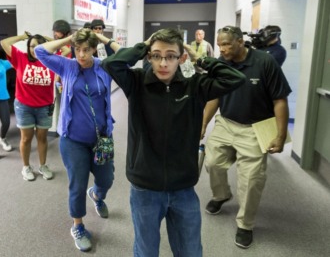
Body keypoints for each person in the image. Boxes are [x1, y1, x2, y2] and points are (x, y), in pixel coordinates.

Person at [101, 28, 245, 257]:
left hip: (183, 188)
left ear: (182, 58)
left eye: (170, 56)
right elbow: (110, 64)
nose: (163, 63)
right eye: (156, 55)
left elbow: (236, 78)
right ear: (149, 56)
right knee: (146, 251)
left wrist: (202, 59)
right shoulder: (136, 82)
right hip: (145, 186)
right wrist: (143, 45)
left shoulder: (195, 86)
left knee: (190, 252)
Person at [201, 26, 292, 249]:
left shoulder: (265, 62)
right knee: (212, 163)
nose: (221, 49)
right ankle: (222, 195)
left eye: (226, 45)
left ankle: (245, 224)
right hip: (226, 123)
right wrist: (202, 124)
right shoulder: (221, 63)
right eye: (219, 44)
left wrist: (280, 137)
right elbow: (215, 96)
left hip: (255, 127)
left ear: (241, 42)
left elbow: (280, 100)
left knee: (252, 179)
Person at [34, 28, 120, 252]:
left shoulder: (104, 66)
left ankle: (97, 195)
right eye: (78, 49)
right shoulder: (68, 65)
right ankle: (78, 226)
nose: (81, 54)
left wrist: (102, 38)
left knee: (107, 179)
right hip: (73, 140)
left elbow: (126, 56)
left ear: (93, 49)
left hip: (102, 138)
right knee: (77, 184)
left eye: (86, 50)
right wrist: (68, 39)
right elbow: (39, 51)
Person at [0, 32, 57, 180]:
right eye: (31, 46)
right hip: (24, 106)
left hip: (45, 107)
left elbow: (66, 48)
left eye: (39, 46)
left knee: (42, 138)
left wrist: (47, 41)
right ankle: (26, 167)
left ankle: (43, 165)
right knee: (26, 139)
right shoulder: (20, 58)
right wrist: (22, 37)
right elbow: (4, 43)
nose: (34, 49)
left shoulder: (51, 60)